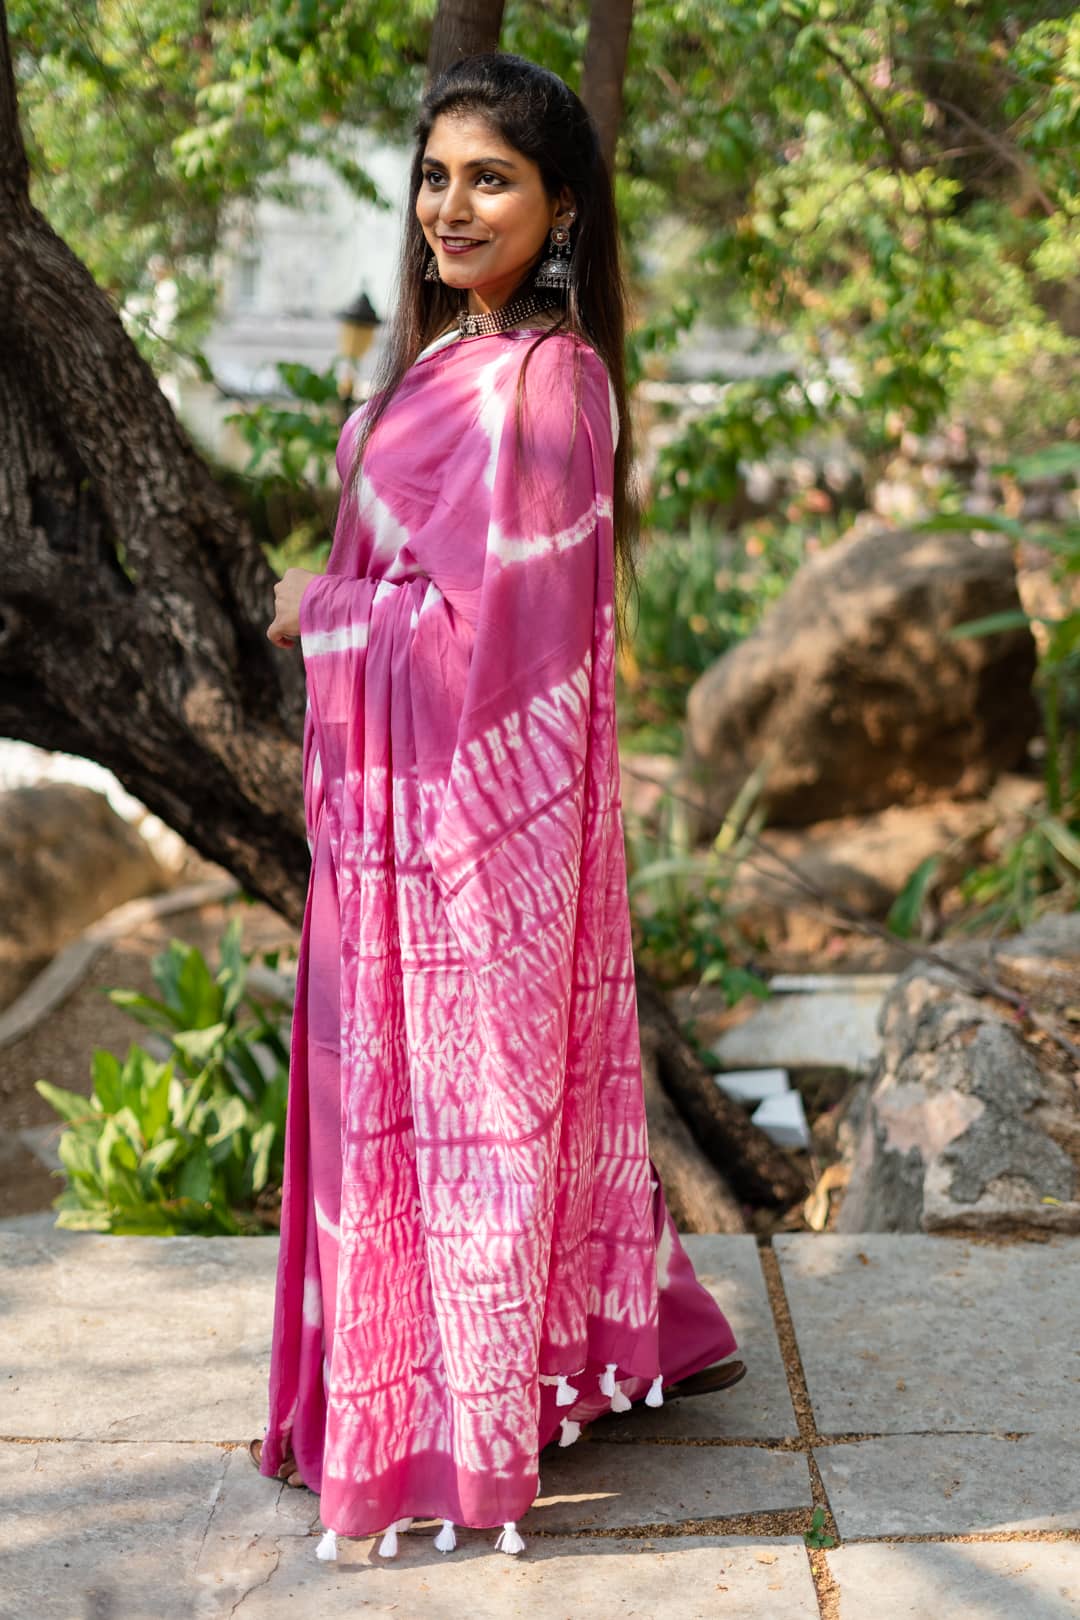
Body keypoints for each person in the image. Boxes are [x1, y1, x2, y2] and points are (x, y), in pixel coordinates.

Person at [254, 49, 745, 1563]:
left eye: (492, 180)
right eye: (435, 176)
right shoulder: (446, 360)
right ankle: (613, 1336)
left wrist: (324, 610)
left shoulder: (549, 383)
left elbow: (496, 654)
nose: (450, 207)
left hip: (475, 840)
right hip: (389, 826)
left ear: (562, 207)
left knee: (470, 1107)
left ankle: (454, 1416)